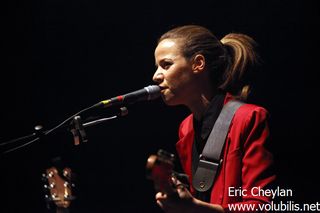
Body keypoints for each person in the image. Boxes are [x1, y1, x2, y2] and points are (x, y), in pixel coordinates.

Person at [151, 25, 276, 212]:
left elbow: (263, 206)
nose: (155, 76)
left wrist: (194, 206)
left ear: (198, 64)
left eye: (166, 65)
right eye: (157, 67)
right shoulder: (186, 128)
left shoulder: (249, 118)